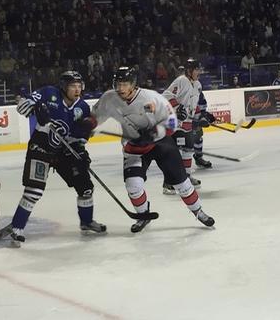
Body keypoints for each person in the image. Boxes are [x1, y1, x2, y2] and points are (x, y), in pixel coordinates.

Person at [91, 66, 215, 233]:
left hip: (161, 144)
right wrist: (84, 130)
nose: (120, 88)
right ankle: (143, 215)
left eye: (125, 84)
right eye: (118, 84)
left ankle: (198, 212)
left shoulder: (150, 98)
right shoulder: (109, 99)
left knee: (181, 183)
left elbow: (171, 122)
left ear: (133, 84)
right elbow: (93, 119)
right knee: (133, 186)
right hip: (134, 148)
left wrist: (153, 133)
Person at [9, 71, 106, 243]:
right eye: (72, 86)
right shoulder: (48, 93)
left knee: (85, 188)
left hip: (64, 152)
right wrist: (36, 108)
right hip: (41, 147)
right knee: (34, 190)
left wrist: (81, 152)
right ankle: (17, 227)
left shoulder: (82, 107)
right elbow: (21, 106)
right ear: (63, 86)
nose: (77, 90)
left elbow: (80, 136)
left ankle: (86, 222)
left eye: (79, 86)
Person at [161, 58, 209, 195]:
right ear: (189, 70)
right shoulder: (181, 80)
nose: (198, 72)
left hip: (187, 124)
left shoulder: (198, 84)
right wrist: (178, 108)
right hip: (175, 124)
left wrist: (202, 117)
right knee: (174, 154)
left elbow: (195, 105)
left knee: (188, 150)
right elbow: (166, 96)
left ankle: (186, 177)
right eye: (196, 69)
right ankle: (168, 183)